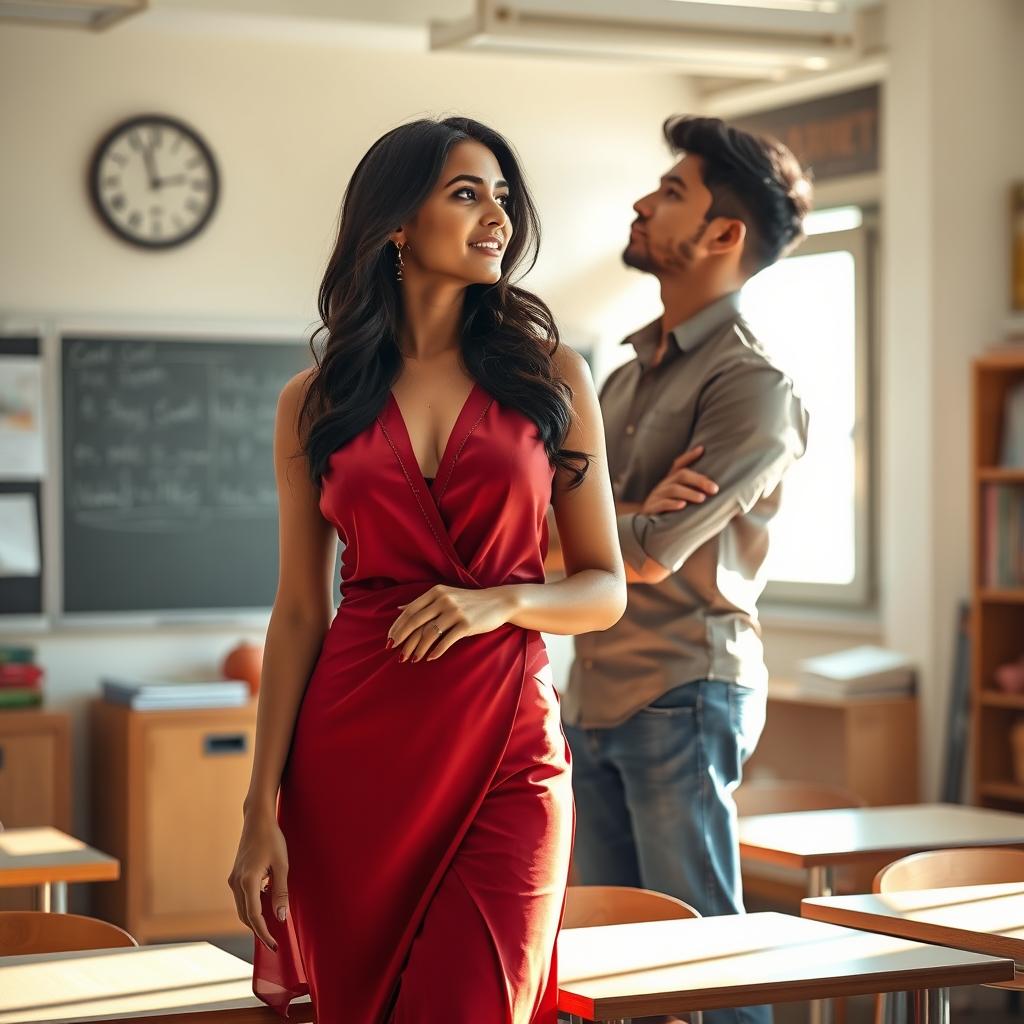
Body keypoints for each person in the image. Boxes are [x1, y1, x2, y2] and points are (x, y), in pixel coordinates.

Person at [227, 116, 626, 1024]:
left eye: (503, 197)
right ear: (398, 221)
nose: (498, 216)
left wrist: (503, 603)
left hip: (508, 750)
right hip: (352, 756)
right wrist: (260, 811)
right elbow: (296, 614)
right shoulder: (314, 402)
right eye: (466, 192)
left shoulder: (554, 375)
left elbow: (605, 588)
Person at [555, 116, 812, 1024]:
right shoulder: (621, 377)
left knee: (708, 968)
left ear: (723, 235)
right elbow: (560, 536)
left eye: (671, 193)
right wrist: (618, 521)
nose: (641, 203)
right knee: (612, 973)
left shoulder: (752, 386)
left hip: (685, 692)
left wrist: (603, 528)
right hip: (592, 693)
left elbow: (652, 555)